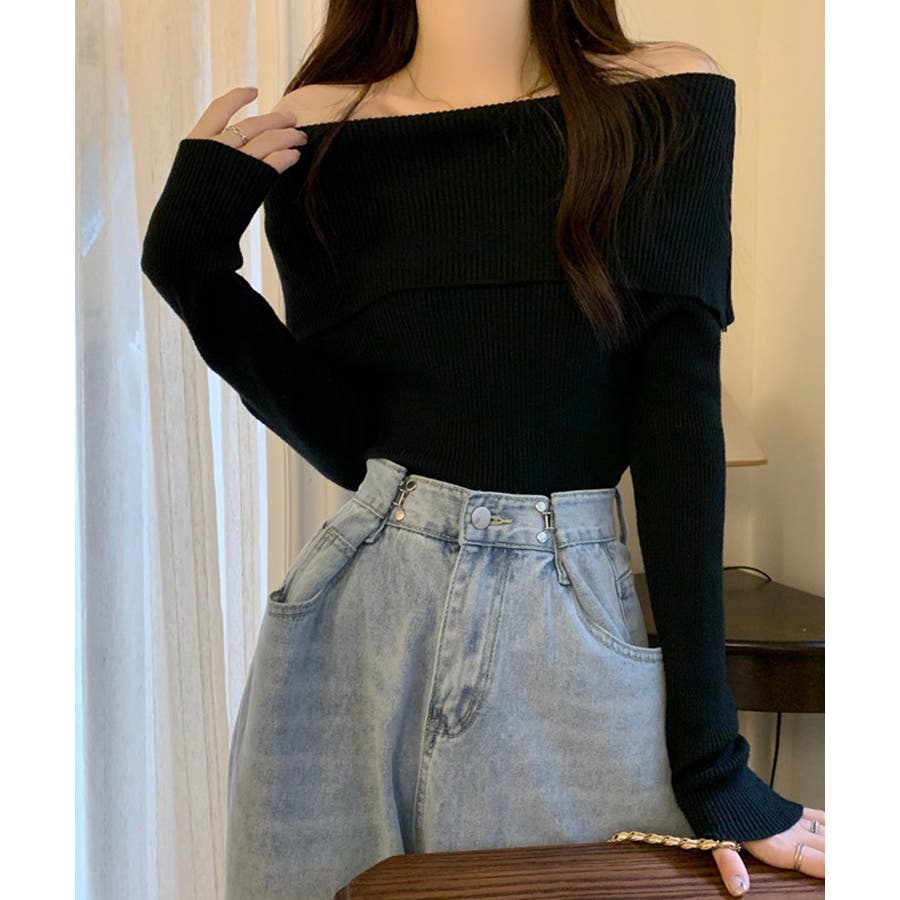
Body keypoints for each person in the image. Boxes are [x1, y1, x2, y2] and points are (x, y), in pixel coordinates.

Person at [140, 2, 825, 897]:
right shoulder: (323, 125)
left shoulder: (665, 98)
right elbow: (352, 443)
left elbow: (679, 431)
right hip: (357, 623)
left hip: (565, 617)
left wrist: (714, 767)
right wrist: (191, 268)